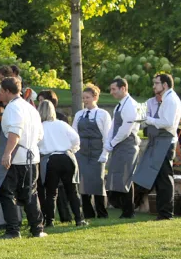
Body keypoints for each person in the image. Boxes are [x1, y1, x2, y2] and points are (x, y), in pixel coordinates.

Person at [0, 77, 47, 239]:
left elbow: (15, 132)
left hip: (16, 158)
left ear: (8, 91)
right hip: (32, 157)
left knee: (7, 193)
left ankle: (13, 230)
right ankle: (37, 228)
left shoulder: (13, 108)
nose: (0, 94)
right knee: (30, 193)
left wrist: (7, 153)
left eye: (2, 91)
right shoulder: (31, 109)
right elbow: (40, 135)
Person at [134, 73, 181, 220]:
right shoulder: (167, 98)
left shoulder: (171, 100)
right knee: (160, 177)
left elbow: (167, 122)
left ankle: (166, 214)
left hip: (166, 141)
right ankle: (163, 212)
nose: (153, 86)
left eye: (156, 83)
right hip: (161, 141)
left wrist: (148, 119)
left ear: (165, 85)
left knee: (165, 178)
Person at [39, 100, 87, 228]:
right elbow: (76, 139)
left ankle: (49, 221)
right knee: (72, 191)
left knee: (51, 192)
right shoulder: (62, 124)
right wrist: (73, 149)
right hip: (66, 157)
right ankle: (79, 219)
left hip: (50, 159)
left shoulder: (40, 126)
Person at [72, 84, 111, 219]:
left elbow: (107, 136)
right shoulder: (79, 114)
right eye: (83, 98)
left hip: (97, 153)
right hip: (81, 154)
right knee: (83, 184)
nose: (85, 100)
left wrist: (105, 154)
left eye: (87, 97)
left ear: (95, 97)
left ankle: (102, 213)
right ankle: (88, 214)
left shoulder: (103, 114)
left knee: (98, 183)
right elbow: (74, 135)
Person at [104, 77, 141, 219]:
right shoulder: (120, 105)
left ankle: (128, 211)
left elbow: (126, 129)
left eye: (114, 89)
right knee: (119, 176)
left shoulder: (130, 105)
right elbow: (114, 126)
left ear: (123, 88)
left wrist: (112, 143)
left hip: (127, 144)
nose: (111, 92)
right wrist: (109, 142)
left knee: (125, 177)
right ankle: (126, 209)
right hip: (119, 144)